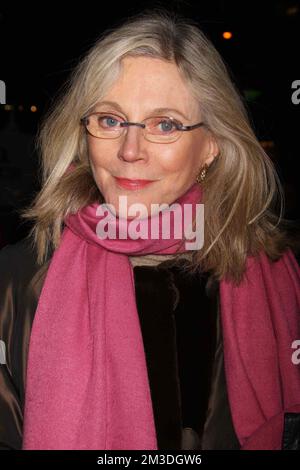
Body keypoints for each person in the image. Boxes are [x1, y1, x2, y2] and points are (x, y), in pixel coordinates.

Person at [0, 10, 299, 451]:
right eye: (110, 120)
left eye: (165, 125)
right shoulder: (14, 281)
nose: (130, 150)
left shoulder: (277, 274)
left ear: (211, 147)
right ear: (83, 135)